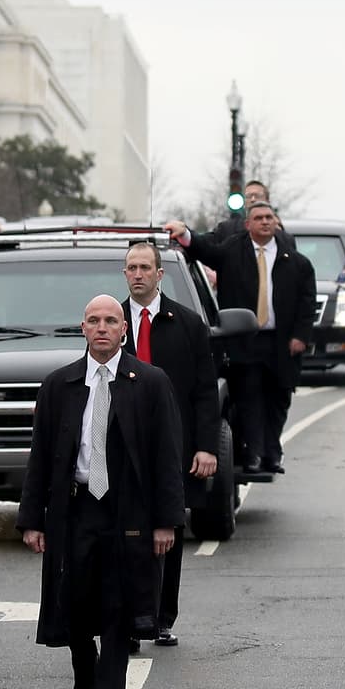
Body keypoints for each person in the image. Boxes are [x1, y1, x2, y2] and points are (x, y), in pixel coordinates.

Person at [17, 295, 184, 689]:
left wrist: (166, 521)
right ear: (83, 328)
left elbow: (167, 456)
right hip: (76, 508)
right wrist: (32, 519)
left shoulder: (150, 382)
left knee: (118, 607)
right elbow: (41, 456)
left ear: (124, 329)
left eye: (111, 320)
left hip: (128, 511)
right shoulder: (59, 384)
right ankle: (85, 675)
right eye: (94, 321)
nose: (102, 327)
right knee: (73, 600)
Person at [119, 242, 219, 649]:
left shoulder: (188, 323)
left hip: (174, 445)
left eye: (145, 267)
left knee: (168, 530)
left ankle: (161, 617)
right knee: (125, 534)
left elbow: (205, 391)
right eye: (131, 268)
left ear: (160, 274)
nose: (138, 274)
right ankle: (129, 619)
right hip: (122, 446)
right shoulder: (111, 321)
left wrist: (206, 446)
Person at [166, 202, 315, 473]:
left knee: (279, 397)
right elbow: (205, 249)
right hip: (244, 338)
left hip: (282, 343)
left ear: (276, 223)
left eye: (269, 217)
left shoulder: (296, 261)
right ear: (248, 224)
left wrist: (300, 336)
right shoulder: (233, 251)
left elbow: (307, 303)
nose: (265, 222)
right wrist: (184, 233)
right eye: (259, 218)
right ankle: (254, 454)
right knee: (249, 398)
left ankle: (273, 452)